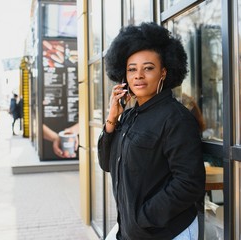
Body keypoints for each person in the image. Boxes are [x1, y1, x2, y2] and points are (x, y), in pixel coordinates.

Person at [97, 22, 205, 240]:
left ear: (164, 72)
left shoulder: (176, 118)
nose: (138, 76)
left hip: (164, 233)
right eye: (131, 69)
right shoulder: (128, 116)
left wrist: (143, 218)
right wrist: (112, 118)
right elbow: (106, 162)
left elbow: (189, 183)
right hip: (129, 230)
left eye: (148, 68)